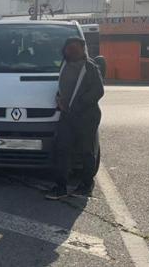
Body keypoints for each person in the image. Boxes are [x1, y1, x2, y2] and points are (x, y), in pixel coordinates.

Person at [46, 37, 104, 200]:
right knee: (62, 148)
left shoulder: (90, 67)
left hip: (86, 116)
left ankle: (86, 185)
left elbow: (98, 91)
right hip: (67, 116)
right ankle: (61, 187)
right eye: (69, 48)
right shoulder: (64, 65)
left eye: (76, 48)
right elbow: (62, 86)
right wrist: (59, 98)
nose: (72, 51)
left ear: (82, 49)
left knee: (86, 151)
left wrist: (76, 105)